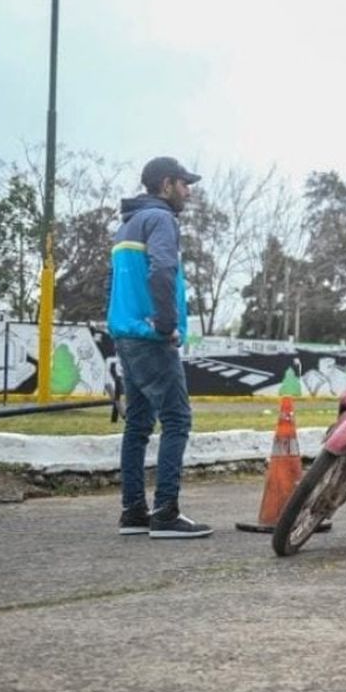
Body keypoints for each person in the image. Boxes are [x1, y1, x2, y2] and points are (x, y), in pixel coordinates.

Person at [107, 156, 211, 538]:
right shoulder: (161, 219)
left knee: (137, 425)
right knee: (177, 420)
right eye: (184, 184)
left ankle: (134, 511)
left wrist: (122, 324)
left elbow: (112, 285)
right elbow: (163, 269)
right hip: (152, 337)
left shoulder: (126, 227)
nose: (188, 191)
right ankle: (166, 513)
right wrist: (166, 325)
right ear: (166, 184)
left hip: (125, 333)